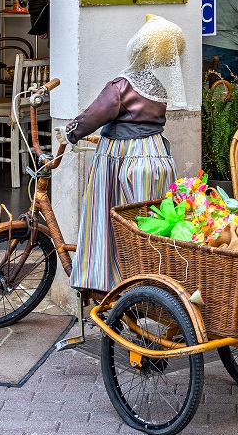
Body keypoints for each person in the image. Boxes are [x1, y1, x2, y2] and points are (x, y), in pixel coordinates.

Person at [65, 15, 187, 292]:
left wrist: (71, 133)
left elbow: (94, 116)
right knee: (149, 226)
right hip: (157, 155)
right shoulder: (157, 87)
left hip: (123, 157)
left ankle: (111, 281)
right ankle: (154, 282)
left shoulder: (121, 85)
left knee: (112, 222)